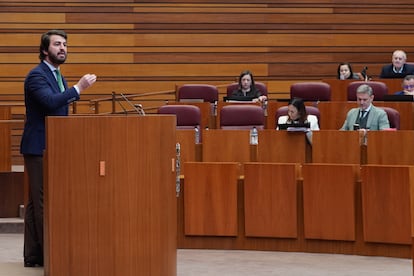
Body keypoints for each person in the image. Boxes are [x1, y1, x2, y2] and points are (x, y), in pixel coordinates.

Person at [20, 29, 97, 268]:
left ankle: (34, 255)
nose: (62, 48)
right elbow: (50, 102)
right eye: (57, 44)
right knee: (44, 201)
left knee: (35, 201)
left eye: (64, 44)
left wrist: (72, 93)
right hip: (39, 146)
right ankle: (53, 256)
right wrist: (78, 89)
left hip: (53, 145)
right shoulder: (37, 76)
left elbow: (59, 105)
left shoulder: (56, 74)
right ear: (45, 50)